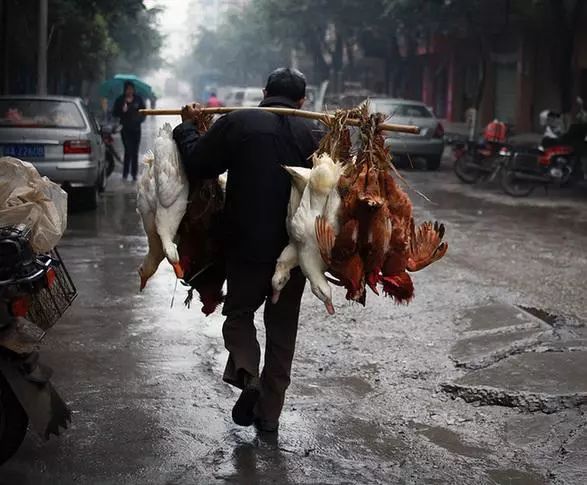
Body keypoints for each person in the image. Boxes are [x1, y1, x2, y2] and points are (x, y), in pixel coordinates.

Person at [173, 68, 318, 433]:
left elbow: (199, 164)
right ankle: (269, 416)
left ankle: (247, 373)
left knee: (239, 315)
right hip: (297, 251)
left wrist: (188, 128)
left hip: (245, 246)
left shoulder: (239, 123)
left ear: (264, 91)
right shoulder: (316, 132)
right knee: (283, 332)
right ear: (303, 100)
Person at [113, 81, 146, 181]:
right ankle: (125, 173)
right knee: (128, 150)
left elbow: (144, 112)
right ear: (125, 89)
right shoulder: (120, 99)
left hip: (136, 129)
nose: (130, 91)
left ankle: (134, 174)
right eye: (128, 89)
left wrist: (138, 120)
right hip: (125, 129)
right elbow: (114, 113)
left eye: (131, 89)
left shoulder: (138, 99)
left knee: (135, 151)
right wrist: (122, 111)